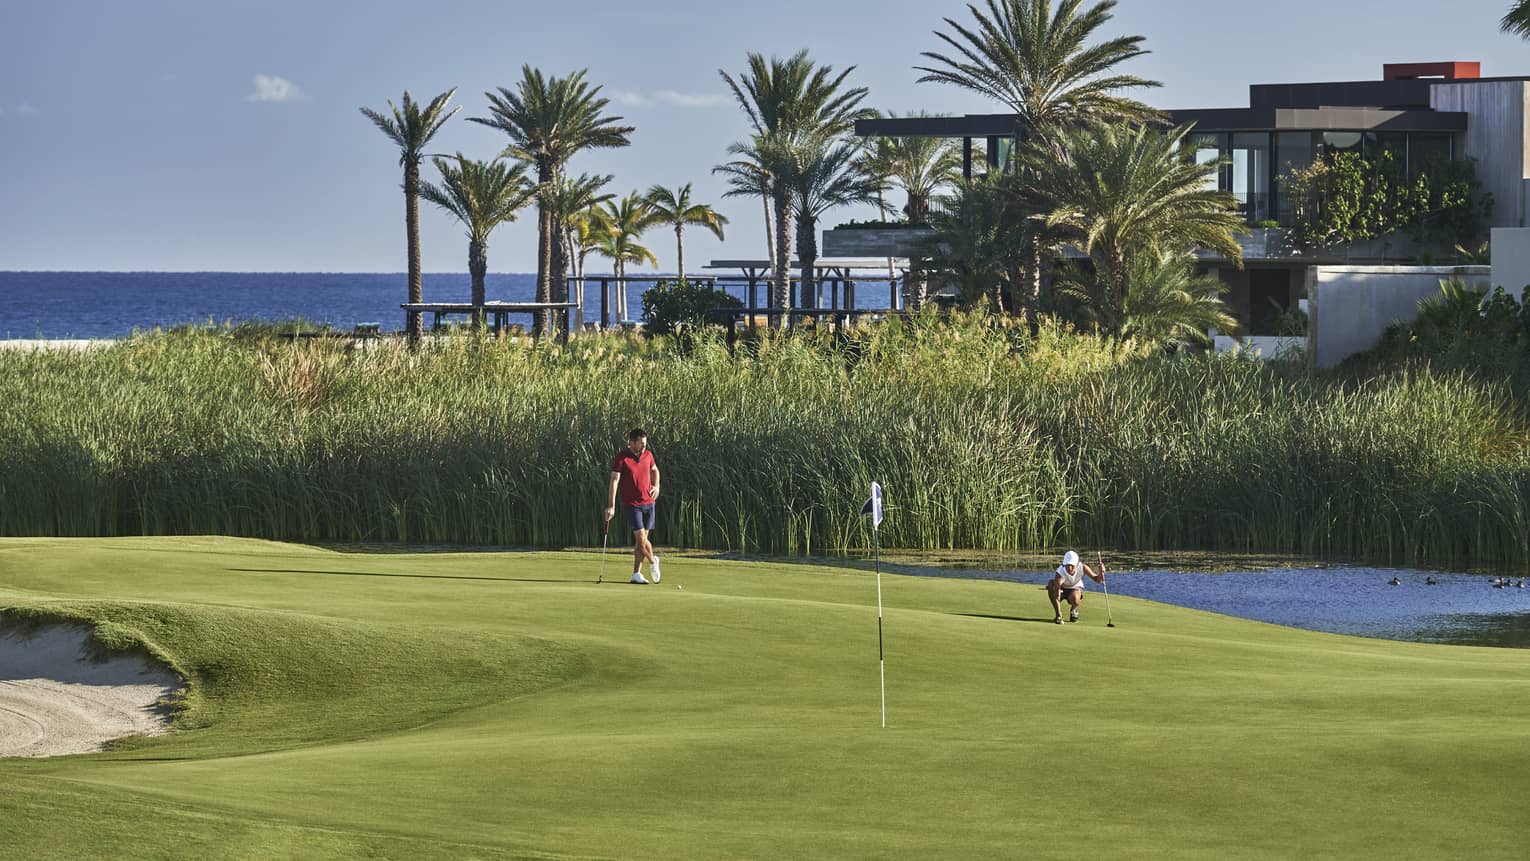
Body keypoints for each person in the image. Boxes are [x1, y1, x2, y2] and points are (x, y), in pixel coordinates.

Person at [605, 428, 661, 585]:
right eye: (641, 443)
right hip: (632, 504)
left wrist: (656, 486)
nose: (644, 446)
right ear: (632, 442)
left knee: (641, 543)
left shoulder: (648, 455)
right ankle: (653, 561)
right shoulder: (622, 458)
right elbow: (614, 481)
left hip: (649, 502)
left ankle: (636, 573)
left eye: (645, 443)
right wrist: (611, 506)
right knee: (641, 538)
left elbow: (655, 470)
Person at [1048, 550, 1105, 624]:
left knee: (1075, 598)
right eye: (1067, 565)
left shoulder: (1083, 567)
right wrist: (1059, 615)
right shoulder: (1060, 572)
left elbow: (1098, 580)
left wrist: (1101, 572)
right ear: (1064, 564)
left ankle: (1074, 610)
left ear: (1077, 564)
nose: (1069, 568)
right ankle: (1058, 615)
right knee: (1051, 585)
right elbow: (1057, 590)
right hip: (1062, 589)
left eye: (1072, 565)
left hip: (1075, 588)